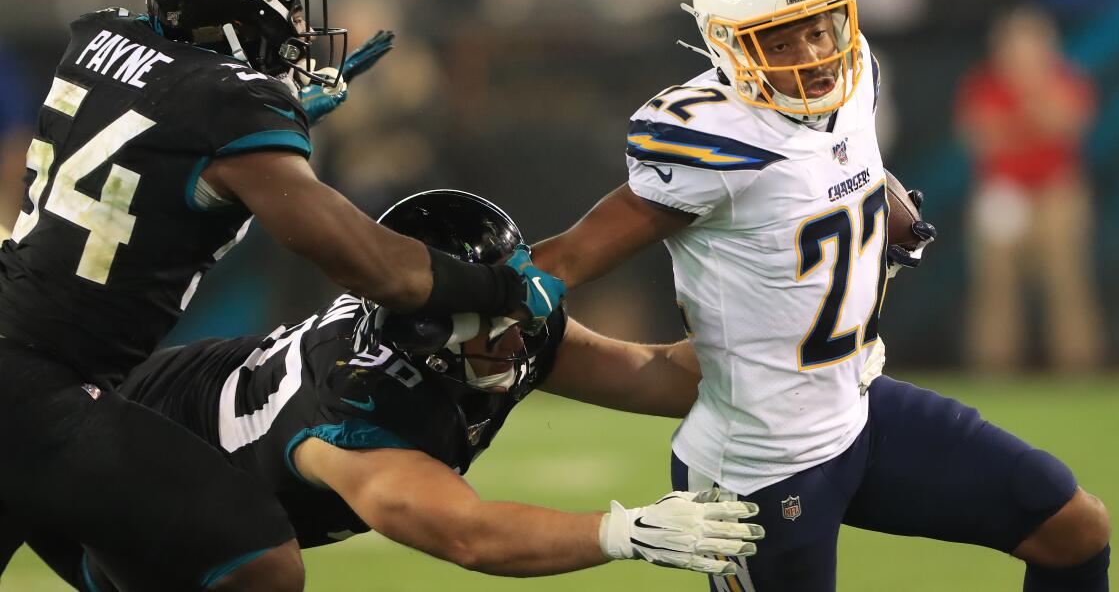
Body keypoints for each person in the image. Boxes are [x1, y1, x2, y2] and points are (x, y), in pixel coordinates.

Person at [532, 0, 1111, 591]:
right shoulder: (714, 139)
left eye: (816, 28)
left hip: (860, 406)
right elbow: (572, 254)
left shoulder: (856, 69)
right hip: (761, 463)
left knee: (1072, 528)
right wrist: (484, 294)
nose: (809, 53)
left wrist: (874, 203)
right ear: (726, 45)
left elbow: (829, 168)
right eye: (777, 41)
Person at [0, 0, 563, 591]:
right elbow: (368, 262)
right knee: (256, 559)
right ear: (244, 7)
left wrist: (272, 119)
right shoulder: (230, 107)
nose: (301, 27)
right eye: (292, 6)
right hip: (40, 382)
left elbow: (159, 125)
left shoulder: (104, 39)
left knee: (147, 556)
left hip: (25, 348)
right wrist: (501, 288)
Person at [22, 189, 762, 590]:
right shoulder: (358, 415)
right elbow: (468, 535)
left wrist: (801, 352)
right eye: (486, 318)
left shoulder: (502, 327)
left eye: (513, 305)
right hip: (106, 462)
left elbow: (660, 376)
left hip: (163, 405)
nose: (514, 335)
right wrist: (623, 533)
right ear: (423, 335)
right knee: (262, 572)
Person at [957, 6, 1103, 375]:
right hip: (1001, 195)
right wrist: (1031, 121)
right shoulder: (983, 85)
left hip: (1056, 192)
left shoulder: (1066, 80)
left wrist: (1027, 109)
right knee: (995, 286)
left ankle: (1079, 369)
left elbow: (1065, 124)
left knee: (1065, 281)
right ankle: (994, 369)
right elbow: (984, 138)